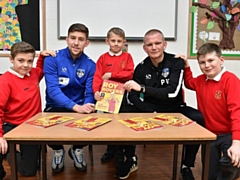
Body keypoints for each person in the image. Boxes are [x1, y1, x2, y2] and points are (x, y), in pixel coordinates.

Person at [123, 29, 204, 180]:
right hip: (150, 109)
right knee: (126, 113)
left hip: (175, 108)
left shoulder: (176, 62)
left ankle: (186, 166)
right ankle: (131, 159)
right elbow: (132, 95)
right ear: (144, 48)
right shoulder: (141, 67)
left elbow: (172, 92)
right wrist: (150, 111)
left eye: (157, 43)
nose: (154, 47)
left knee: (198, 118)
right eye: (149, 44)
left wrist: (143, 88)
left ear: (164, 44)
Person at [181, 43, 240, 180]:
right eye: (202, 62)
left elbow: (237, 112)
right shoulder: (201, 80)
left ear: (221, 60)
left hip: (229, 134)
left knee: (232, 162)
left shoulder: (231, 80)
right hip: (209, 135)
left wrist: (237, 143)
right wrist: (186, 65)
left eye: (210, 60)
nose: (206, 65)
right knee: (209, 172)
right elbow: (189, 82)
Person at [43, 23, 96, 173]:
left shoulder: (91, 64)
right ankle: (58, 151)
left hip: (79, 107)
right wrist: (76, 107)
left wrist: (86, 107)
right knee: (48, 131)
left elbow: (90, 92)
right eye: (73, 38)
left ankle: (77, 150)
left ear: (87, 43)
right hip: (55, 106)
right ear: (66, 39)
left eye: (81, 39)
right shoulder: (52, 59)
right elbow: (53, 91)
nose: (76, 42)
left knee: (91, 120)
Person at [0, 41, 55, 179]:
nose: (26, 65)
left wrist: (42, 56)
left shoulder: (34, 73)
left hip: (32, 125)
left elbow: (41, 70)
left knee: (29, 171)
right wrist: (0, 136)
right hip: (11, 124)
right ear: (11, 59)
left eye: (30, 61)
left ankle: (12, 155)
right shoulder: (5, 81)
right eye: (21, 60)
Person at [92, 27, 135, 179]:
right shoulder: (103, 58)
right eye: (113, 41)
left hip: (122, 98)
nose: (116, 44)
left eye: (119, 41)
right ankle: (110, 151)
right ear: (107, 41)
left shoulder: (127, 57)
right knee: (108, 125)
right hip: (106, 97)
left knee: (120, 126)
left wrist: (112, 75)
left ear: (124, 42)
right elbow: (97, 76)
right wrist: (96, 91)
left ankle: (119, 156)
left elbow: (129, 73)